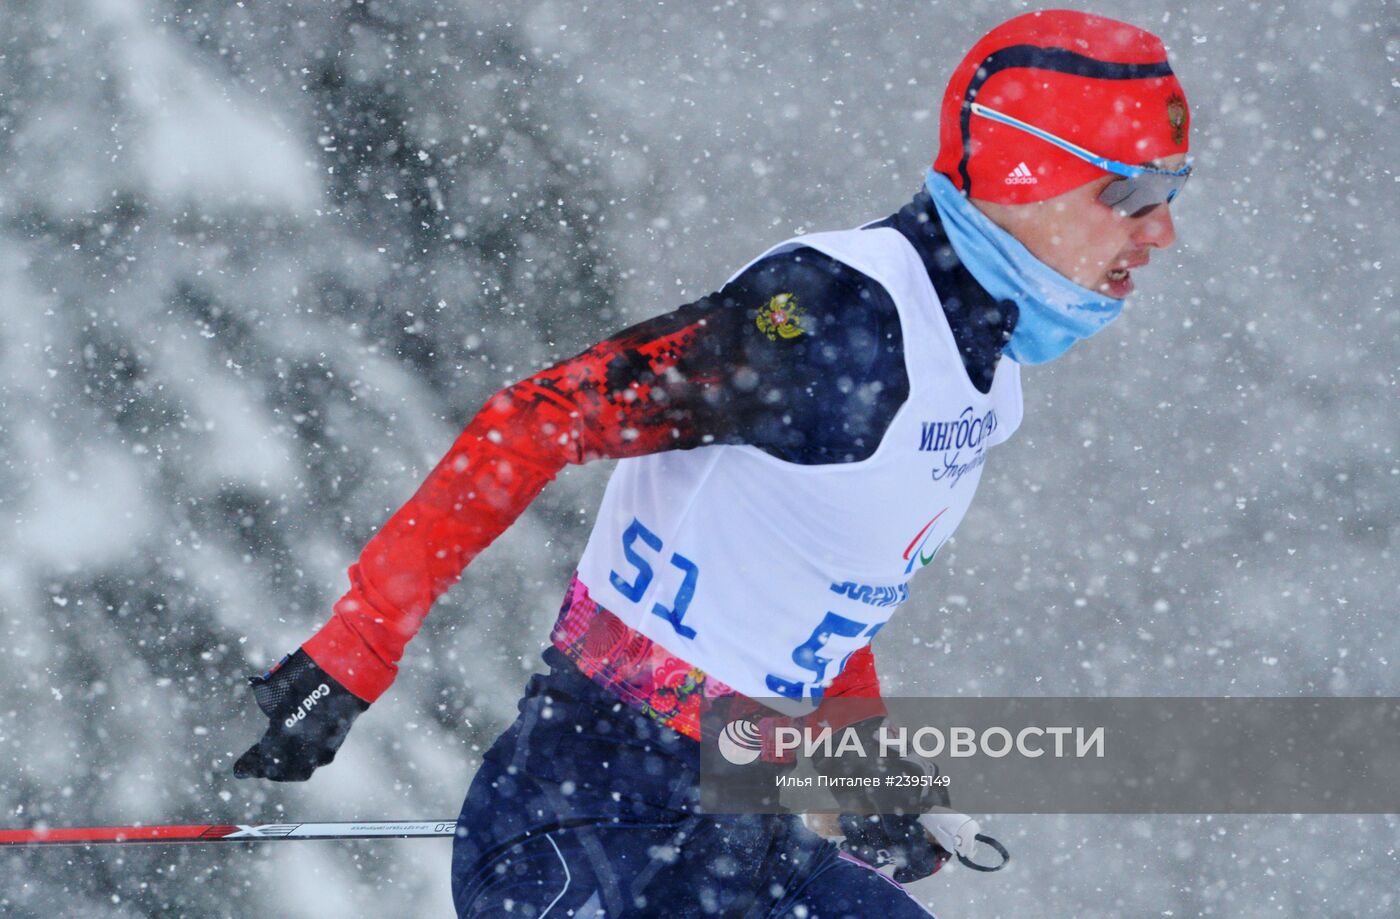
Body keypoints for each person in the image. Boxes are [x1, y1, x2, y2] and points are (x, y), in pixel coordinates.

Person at [234, 9, 1192, 917]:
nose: (1161, 231)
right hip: (584, 824)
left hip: (746, 840)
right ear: (1025, 175)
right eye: (1133, 195)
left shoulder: (983, 378)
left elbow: (817, 585)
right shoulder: (829, 318)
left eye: (1172, 197)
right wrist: (354, 653)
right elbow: (534, 418)